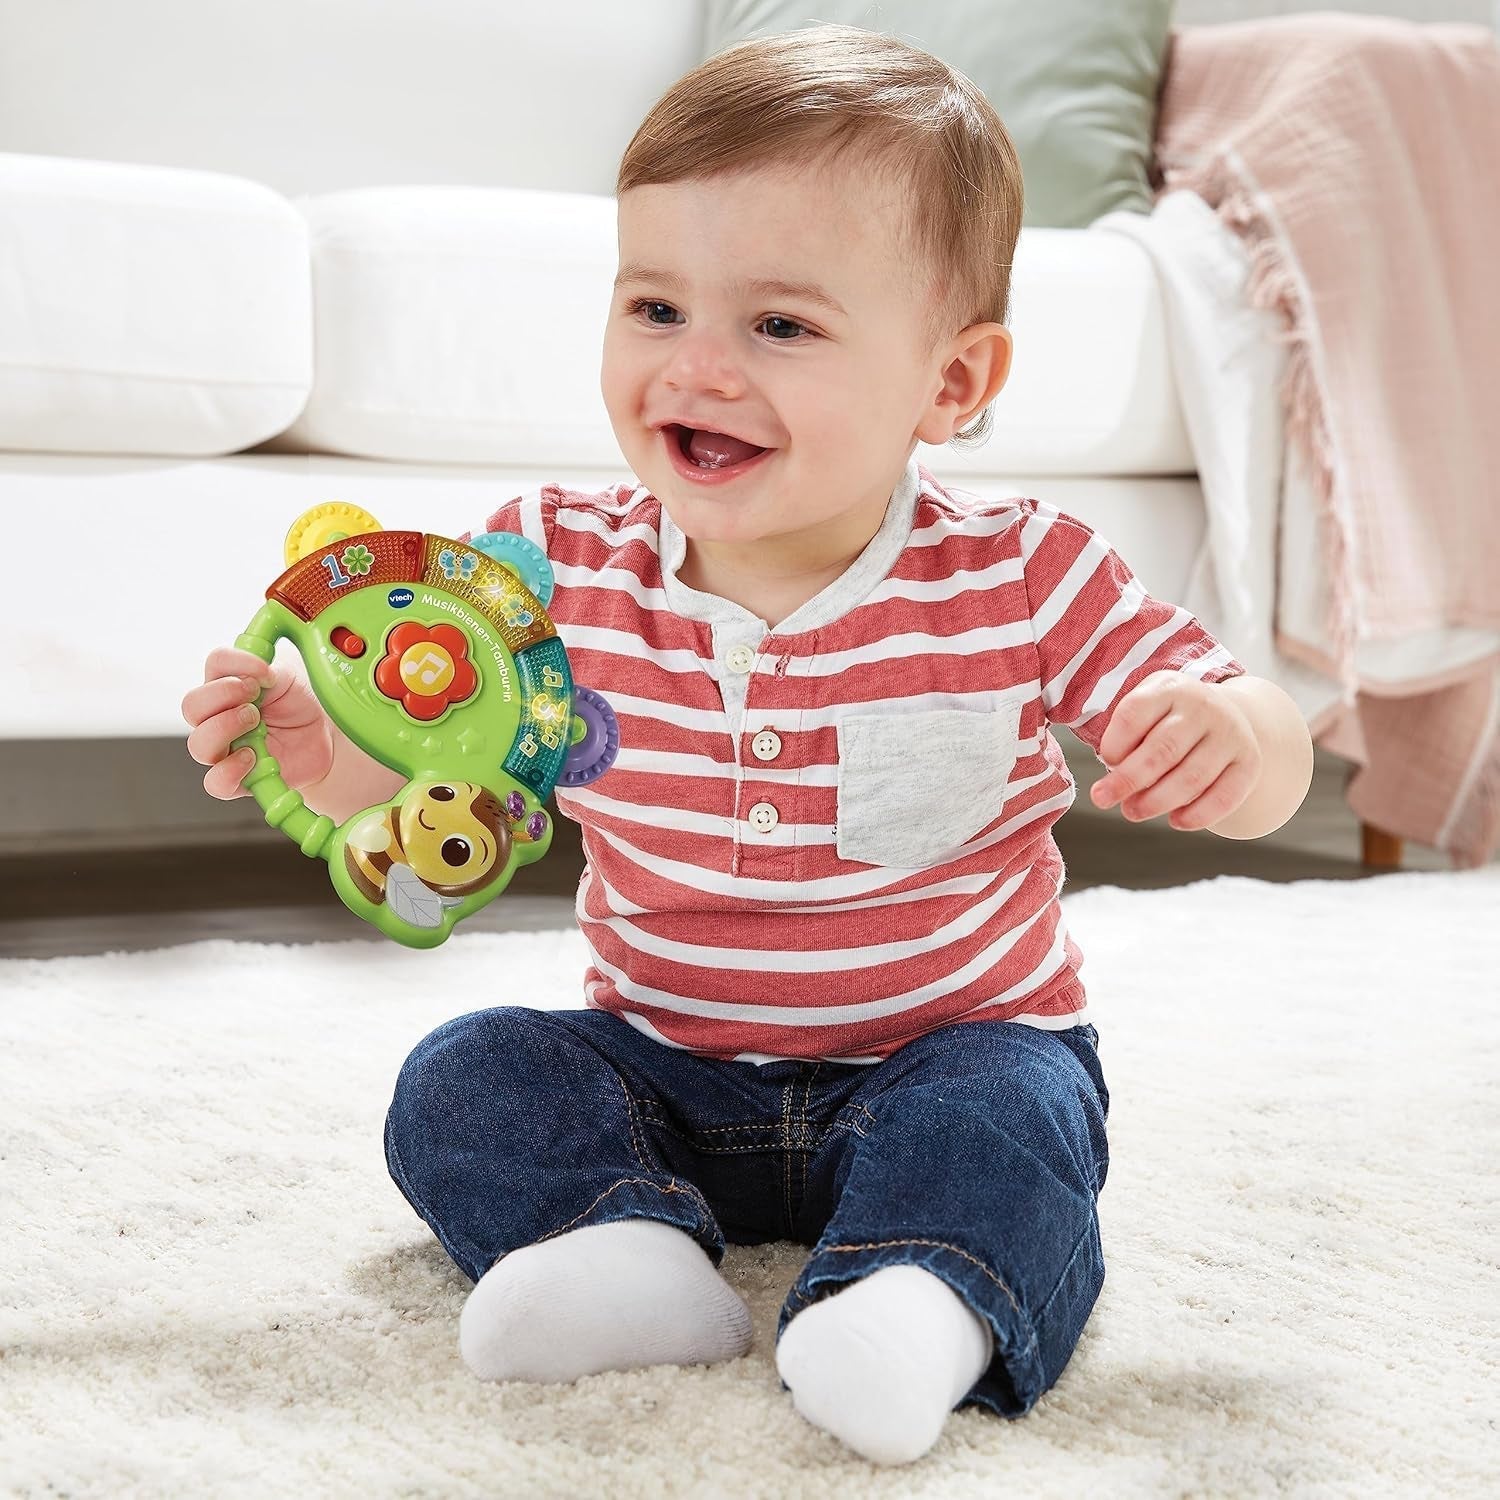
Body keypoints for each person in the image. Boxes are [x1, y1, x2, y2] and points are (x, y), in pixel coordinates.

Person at [181, 24, 1314, 1468]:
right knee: (464, 1077)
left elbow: (1255, 723)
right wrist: (321, 755)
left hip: (941, 1053)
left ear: (952, 386)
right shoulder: (539, 569)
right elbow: (433, 798)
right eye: (655, 306)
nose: (696, 367)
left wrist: (1233, 741)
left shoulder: (1024, 573)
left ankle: (917, 1300)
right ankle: (628, 1255)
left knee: (1019, 1113)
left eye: (779, 326)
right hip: (668, 1070)